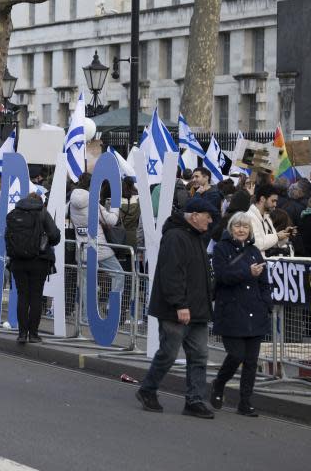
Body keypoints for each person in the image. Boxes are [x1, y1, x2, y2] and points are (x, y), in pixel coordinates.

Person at [136, 197, 218, 419]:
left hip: (197, 310)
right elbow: (172, 274)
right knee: (168, 354)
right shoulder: (175, 237)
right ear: (194, 216)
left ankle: (195, 400)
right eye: (207, 217)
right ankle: (148, 389)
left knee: (199, 356)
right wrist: (180, 305)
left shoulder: (195, 236)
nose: (210, 221)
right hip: (176, 310)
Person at [210, 212, 270, 417]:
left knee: (251, 362)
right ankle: (219, 384)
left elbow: (264, 283)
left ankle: (245, 402)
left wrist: (266, 304)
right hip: (231, 312)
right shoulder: (221, 249)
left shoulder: (255, 251)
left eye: (245, 226)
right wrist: (247, 273)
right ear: (231, 228)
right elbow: (223, 276)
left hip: (255, 312)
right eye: (238, 226)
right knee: (236, 355)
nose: (242, 229)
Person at [5, 192, 61, 343]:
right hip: (39, 261)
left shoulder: (14, 213)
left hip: (17, 261)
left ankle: (22, 334)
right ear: (40, 202)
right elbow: (55, 236)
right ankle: (33, 335)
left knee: (22, 296)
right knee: (36, 296)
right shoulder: (43, 213)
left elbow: (8, 237)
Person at [69, 173, 125, 321]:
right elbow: (112, 220)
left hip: (82, 248)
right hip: (99, 247)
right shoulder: (93, 201)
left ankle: (86, 317)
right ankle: (110, 307)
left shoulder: (71, 202)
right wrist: (114, 208)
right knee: (119, 274)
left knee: (87, 283)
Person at [247, 184, 291, 256]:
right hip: (255, 264)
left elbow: (273, 243)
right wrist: (277, 236)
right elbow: (258, 244)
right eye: (273, 201)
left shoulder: (267, 218)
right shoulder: (249, 217)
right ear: (262, 199)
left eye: (276, 201)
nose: (275, 204)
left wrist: (284, 236)